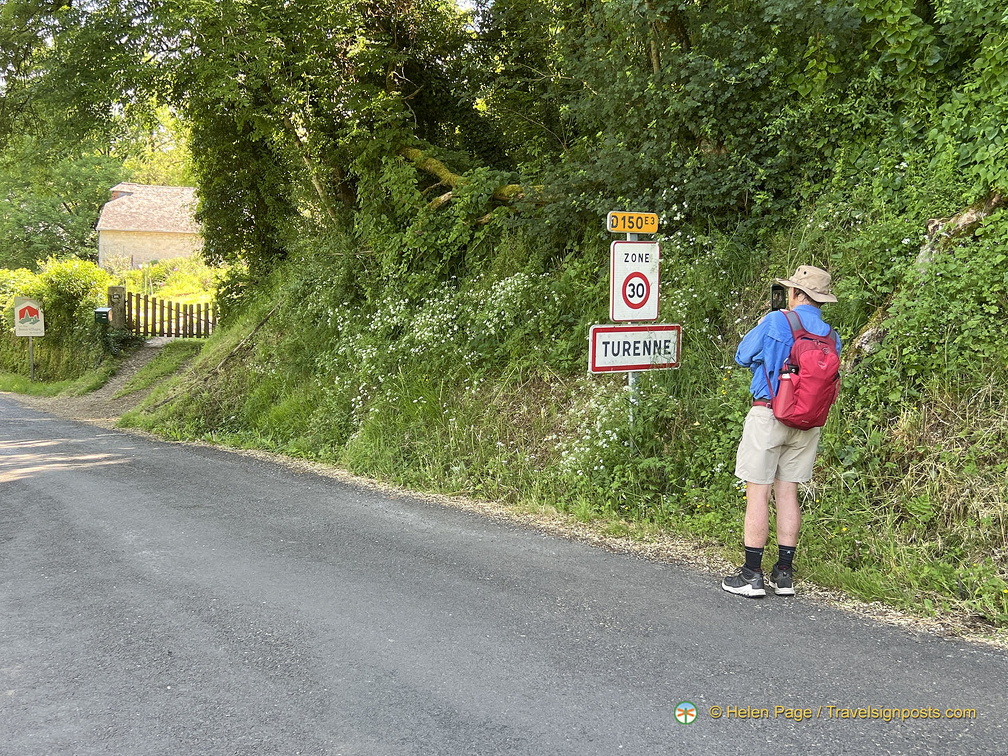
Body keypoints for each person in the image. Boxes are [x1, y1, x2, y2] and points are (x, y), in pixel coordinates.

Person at [722, 265, 840, 598]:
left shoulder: (776, 321)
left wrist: (764, 326)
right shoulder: (831, 336)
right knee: (788, 492)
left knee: (757, 492)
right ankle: (784, 574)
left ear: (797, 294)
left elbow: (742, 355)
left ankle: (751, 575)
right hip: (808, 423)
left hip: (769, 415)